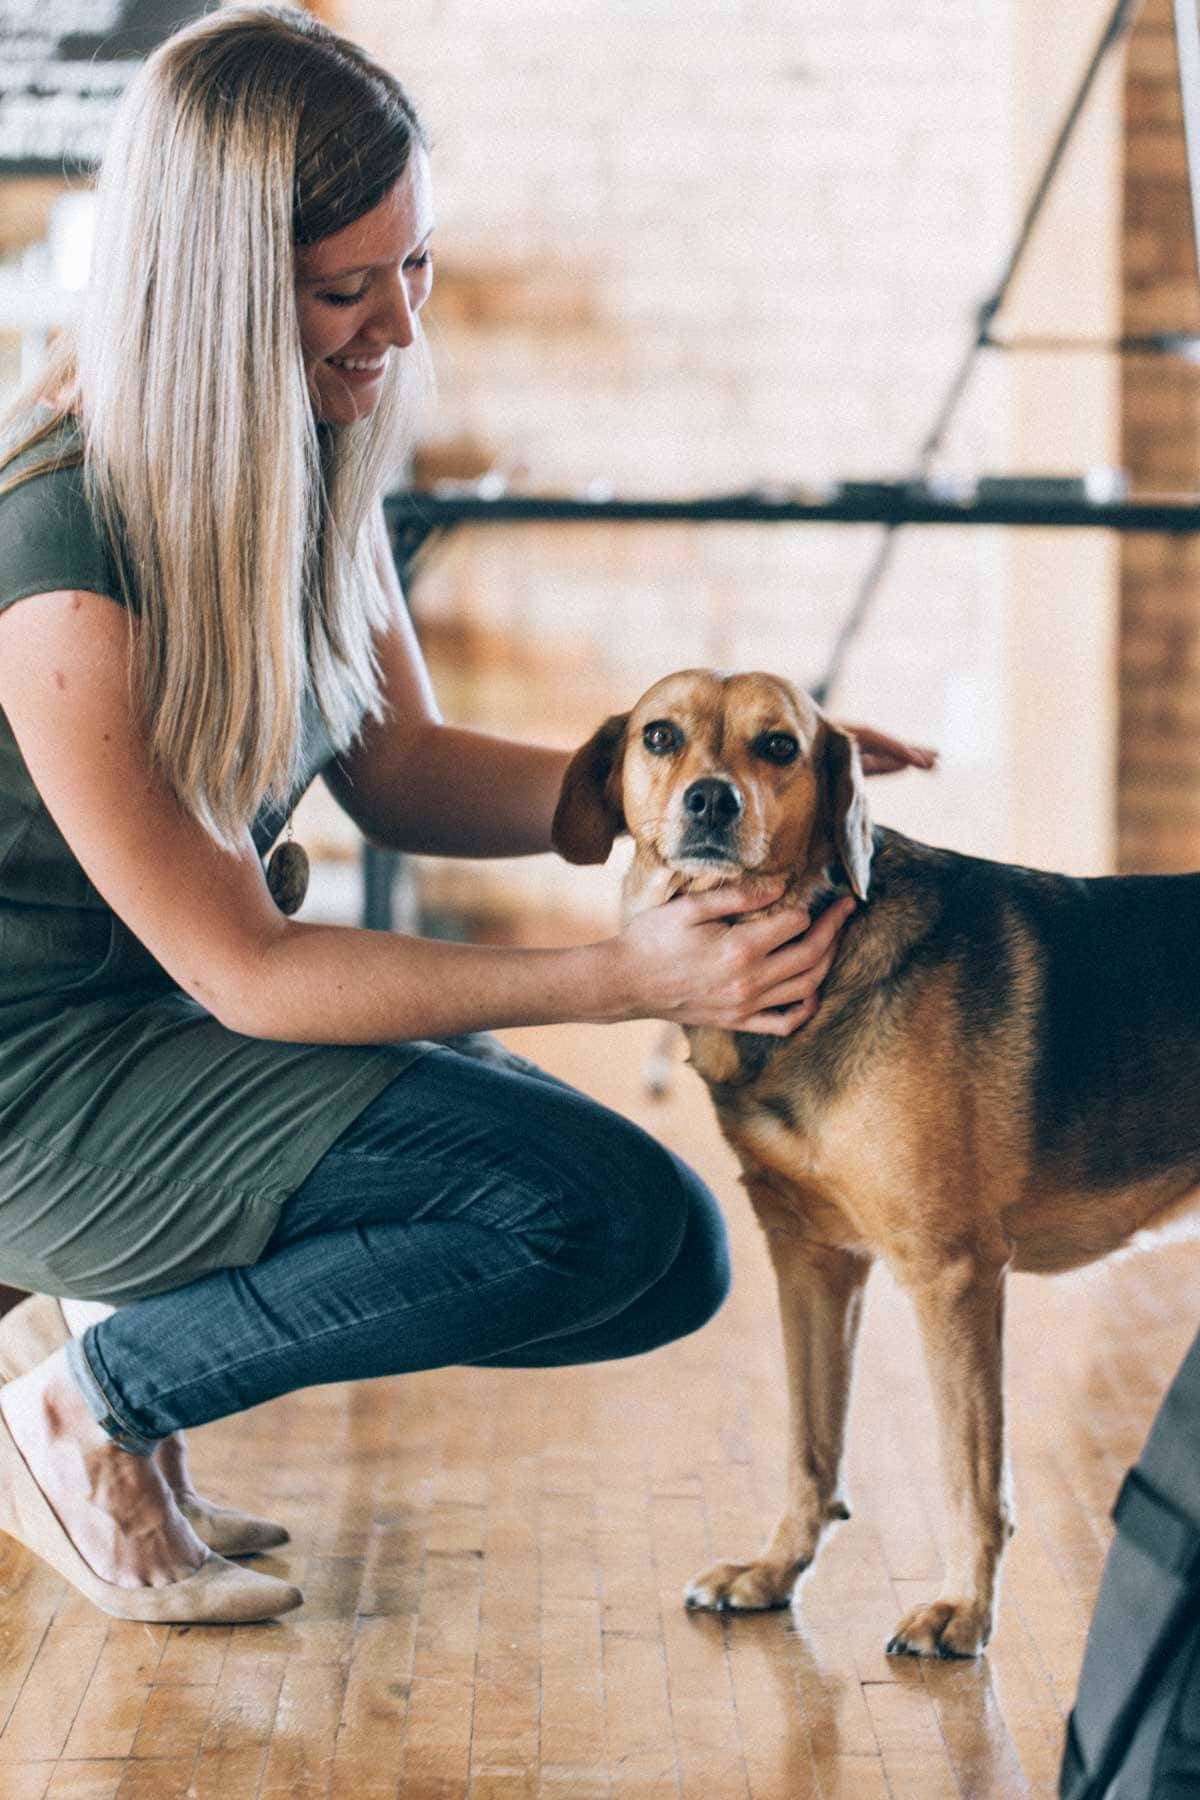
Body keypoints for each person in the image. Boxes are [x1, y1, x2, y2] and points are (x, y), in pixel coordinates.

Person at [0, 3, 933, 1624]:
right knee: (590, 1211)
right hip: (46, 1078)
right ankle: (88, 1406)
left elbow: (400, 762)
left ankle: (108, 1351)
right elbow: (251, 971)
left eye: (414, 263)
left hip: (167, 1028)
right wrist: (621, 977)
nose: (397, 322)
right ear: (213, 294)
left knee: (664, 1253)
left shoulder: (296, 448)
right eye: (343, 290)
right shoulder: (64, 563)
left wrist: (694, 782)